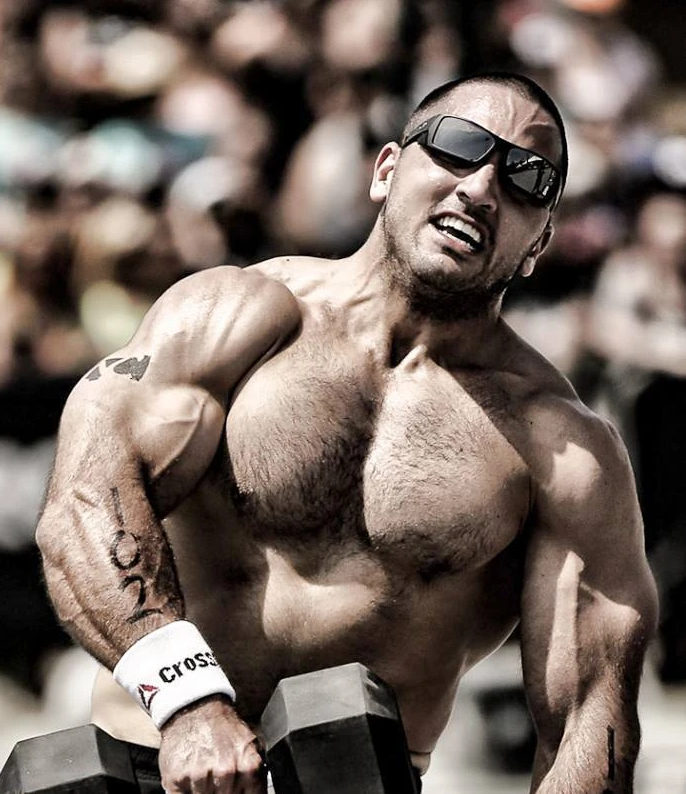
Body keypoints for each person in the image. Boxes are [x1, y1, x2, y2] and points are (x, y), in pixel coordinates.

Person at [36, 72, 658, 794]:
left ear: (537, 244)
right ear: (386, 169)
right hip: (157, 759)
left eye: (528, 178)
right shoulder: (231, 318)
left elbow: (589, 721)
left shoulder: (562, 448)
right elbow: (85, 500)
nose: (482, 187)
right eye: (459, 146)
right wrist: (188, 703)